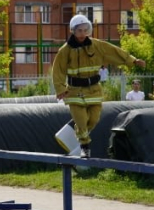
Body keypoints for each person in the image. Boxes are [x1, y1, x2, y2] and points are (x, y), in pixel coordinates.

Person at [52, 14, 145, 158]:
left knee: (94, 119)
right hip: (74, 91)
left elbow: (115, 52)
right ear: (73, 31)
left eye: (85, 30)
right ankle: (85, 146)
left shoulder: (97, 46)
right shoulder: (65, 50)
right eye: (79, 31)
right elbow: (58, 70)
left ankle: (77, 131)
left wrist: (132, 60)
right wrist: (60, 88)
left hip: (93, 90)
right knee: (82, 119)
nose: (82, 34)